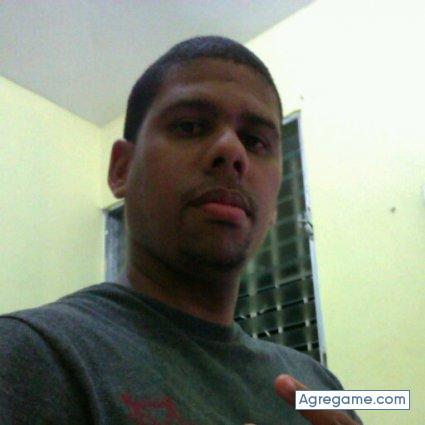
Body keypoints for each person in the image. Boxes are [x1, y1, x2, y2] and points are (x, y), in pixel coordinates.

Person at [0, 36, 362, 424]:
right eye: (190, 126)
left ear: (274, 204)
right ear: (122, 169)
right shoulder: (28, 354)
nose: (232, 151)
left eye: (256, 141)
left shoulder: (321, 390)